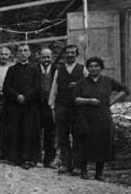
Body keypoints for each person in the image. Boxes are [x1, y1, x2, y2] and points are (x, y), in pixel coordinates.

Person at [73, 56, 129, 181]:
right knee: (85, 141)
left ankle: (99, 173)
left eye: (96, 66)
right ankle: (84, 171)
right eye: (91, 66)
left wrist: (112, 101)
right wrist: (89, 101)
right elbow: (75, 99)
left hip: (103, 115)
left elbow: (125, 90)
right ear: (87, 68)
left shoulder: (107, 81)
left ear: (101, 68)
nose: (93, 69)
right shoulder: (82, 83)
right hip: (86, 116)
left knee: (102, 142)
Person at [48, 44, 88, 175]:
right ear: (64, 55)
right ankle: (65, 164)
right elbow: (54, 88)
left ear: (77, 55)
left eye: (72, 53)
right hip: (62, 106)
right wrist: (52, 106)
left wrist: (78, 85)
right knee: (62, 136)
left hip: (78, 108)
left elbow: (89, 86)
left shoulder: (83, 69)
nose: (70, 55)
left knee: (77, 136)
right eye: (68, 53)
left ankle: (77, 166)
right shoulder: (59, 70)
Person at [0, 44, 41, 169]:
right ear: (17, 54)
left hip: (29, 106)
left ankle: (27, 158)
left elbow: (37, 88)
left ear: (29, 53)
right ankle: (14, 157)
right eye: (20, 51)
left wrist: (26, 97)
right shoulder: (12, 70)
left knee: (28, 131)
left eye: (25, 51)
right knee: (15, 130)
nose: (23, 53)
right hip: (14, 106)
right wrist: (17, 96)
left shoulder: (35, 69)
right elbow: (6, 87)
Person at [38, 48, 57, 168]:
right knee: (35, 132)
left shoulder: (56, 70)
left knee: (50, 133)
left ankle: (49, 159)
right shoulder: (34, 70)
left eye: (48, 57)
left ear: (52, 58)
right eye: (44, 57)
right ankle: (35, 157)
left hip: (51, 106)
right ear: (39, 58)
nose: (46, 60)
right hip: (37, 106)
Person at [0, 46, 13, 160]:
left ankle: (3, 151)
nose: (4, 56)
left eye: (6, 54)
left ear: (9, 56)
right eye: (1, 54)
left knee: (6, 125)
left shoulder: (12, 68)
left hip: (7, 98)